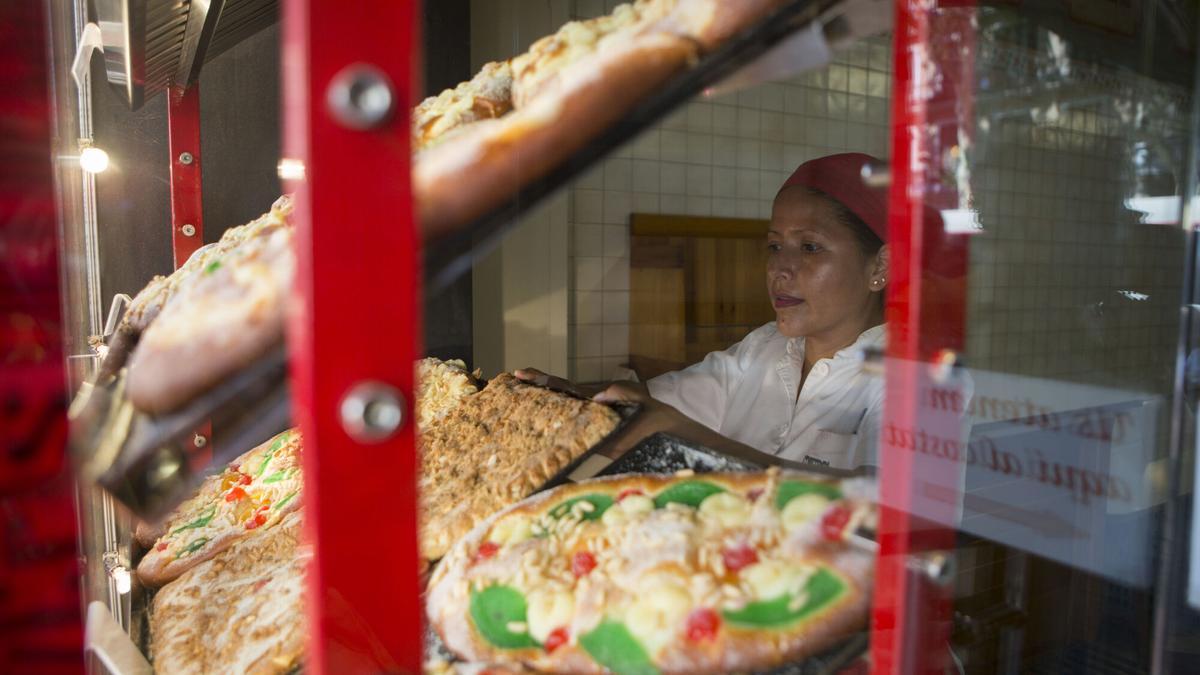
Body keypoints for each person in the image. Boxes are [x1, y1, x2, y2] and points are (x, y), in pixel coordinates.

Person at [520, 152, 890, 471]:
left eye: (809, 247)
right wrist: (560, 396)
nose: (780, 269)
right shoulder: (765, 349)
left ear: (880, 267)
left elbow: (886, 507)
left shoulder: (907, 375)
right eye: (775, 247)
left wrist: (696, 439)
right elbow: (648, 402)